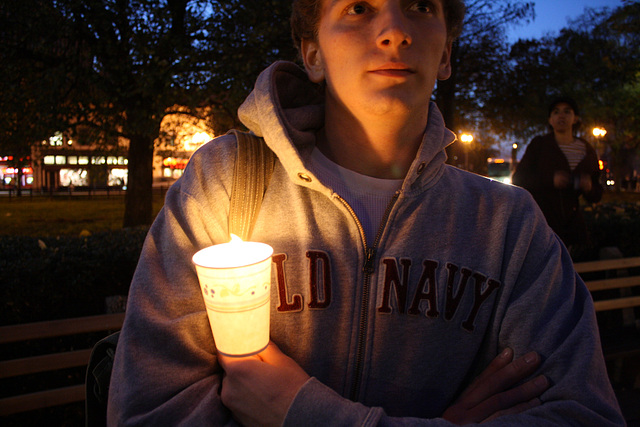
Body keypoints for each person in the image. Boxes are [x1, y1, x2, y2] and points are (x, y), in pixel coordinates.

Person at [108, 1, 624, 425]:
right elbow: (151, 409)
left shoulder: (509, 227)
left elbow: (584, 412)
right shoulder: (225, 185)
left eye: (420, 7)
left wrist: (298, 411)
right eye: (358, 9)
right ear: (312, 54)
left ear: (445, 52)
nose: (395, 31)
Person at [512, 97, 603, 249]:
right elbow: (519, 179)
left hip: (573, 229)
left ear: (576, 119)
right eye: (556, 112)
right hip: (541, 225)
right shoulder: (540, 145)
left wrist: (589, 187)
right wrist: (550, 180)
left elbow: (597, 193)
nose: (561, 115)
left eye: (567, 111)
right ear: (550, 120)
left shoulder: (586, 150)